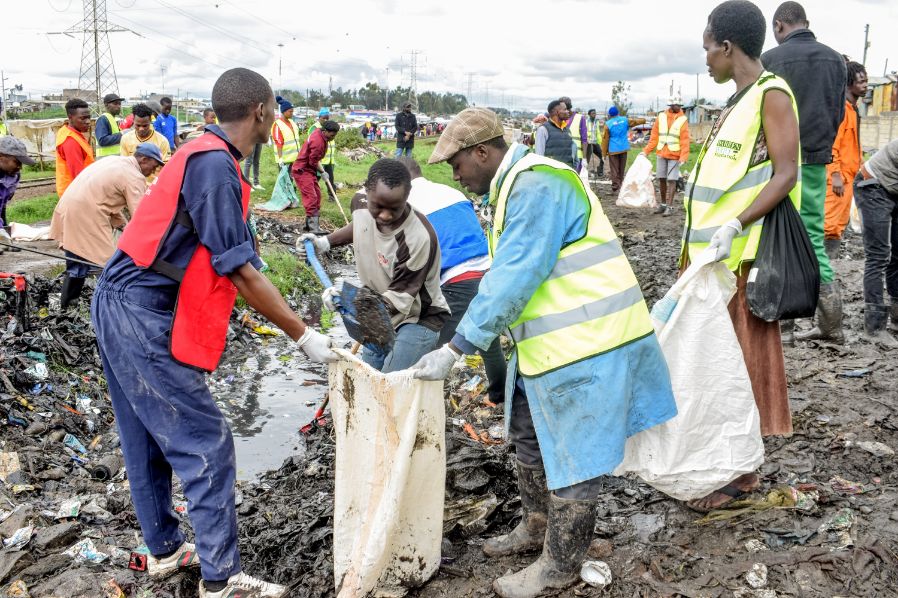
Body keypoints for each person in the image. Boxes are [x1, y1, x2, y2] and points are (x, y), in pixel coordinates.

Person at [411, 108, 676, 598]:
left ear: (482, 152)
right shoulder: (511, 186)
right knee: (528, 434)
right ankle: (536, 525)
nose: (454, 174)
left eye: (456, 164)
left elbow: (514, 276)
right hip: (549, 348)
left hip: (590, 344)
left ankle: (560, 565)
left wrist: (456, 348)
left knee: (575, 456)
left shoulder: (536, 186)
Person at [92, 68, 336, 598]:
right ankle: (221, 580)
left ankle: (165, 549)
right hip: (138, 308)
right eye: (274, 108)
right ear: (261, 111)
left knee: (146, 437)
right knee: (206, 441)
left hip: (121, 299)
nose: (276, 116)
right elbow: (241, 268)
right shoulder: (213, 166)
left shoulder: (203, 152)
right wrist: (305, 336)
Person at [682, 0, 800, 510]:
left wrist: (736, 224)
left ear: (728, 47)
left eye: (708, 48)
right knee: (711, 367)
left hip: (740, 258)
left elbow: (786, 172)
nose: (706, 58)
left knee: (740, 368)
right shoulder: (736, 101)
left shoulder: (771, 95)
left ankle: (741, 475)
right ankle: (718, 459)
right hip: (710, 260)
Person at [301, 158, 450, 372]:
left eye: (394, 209)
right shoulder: (360, 203)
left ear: (407, 198)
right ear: (367, 193)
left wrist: (347, 301)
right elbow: (360, 223)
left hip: (417, 318)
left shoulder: (417, 239)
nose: (385, 216)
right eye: (378, 207)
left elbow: (398, 300)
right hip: (376, 308)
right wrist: (324, 242)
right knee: (367, 378)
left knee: (389, 384)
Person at [761, 1, 847, 344]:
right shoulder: (835, 60)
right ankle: (830, 324)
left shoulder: (770, 60)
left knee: (775, 235)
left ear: (780, 26)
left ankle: (784, 323)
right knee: (812, 235)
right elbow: (839, 112)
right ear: (806, 23)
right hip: (813, 160)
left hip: (776, 162)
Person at [397, 156, 507, 403]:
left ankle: (415, 402)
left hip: (456, 279)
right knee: (484, 338)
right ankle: (499, 394)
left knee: (432, 346)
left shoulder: (406, 203)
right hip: (487, 271)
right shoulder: (450, 192)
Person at [797, 61, 868, 342]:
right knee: (822, 238)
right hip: (835, 182)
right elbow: (834, 144)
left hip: (846, 182)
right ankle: (823, 316)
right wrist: (836, 172)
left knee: (833, 233)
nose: (865, 85)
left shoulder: (852, 110)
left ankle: (823, 314)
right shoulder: (841, 110)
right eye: (860, 80)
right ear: (848, 82)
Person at [49, 143, 165, 308]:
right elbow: (141, 216)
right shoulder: (133, 176)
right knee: (109, 266)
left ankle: (66, 309)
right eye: (153, 167)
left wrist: (123, 226)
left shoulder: (113, 161)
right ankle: (111, 308)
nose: (152, 172)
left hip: (69, 208)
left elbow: (105, 197)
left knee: (76, 266)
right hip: (86, 216)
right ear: (144, 159)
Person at [854, 139, 898, 346]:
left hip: (894, 188)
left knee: (897, 255)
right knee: (878, 256)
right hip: (873, 186)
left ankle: (896, 319)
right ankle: (874, 327)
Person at [642, 95, 690, 216]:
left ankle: (670, 206)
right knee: (661, 179)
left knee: (672, 180)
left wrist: (683, 156)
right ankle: (663, 205)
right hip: (661, 153)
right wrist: (646, 151)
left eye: (680, 105)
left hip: (675, 154)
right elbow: (654, 137)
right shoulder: (661, 116)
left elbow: (685, 139)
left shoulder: (682, 119)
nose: (678, 107)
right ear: (670, 105)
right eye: (676, 105)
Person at [292, 120, 339, 233]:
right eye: (332, 135)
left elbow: (314, 161)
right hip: (302, 170)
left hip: (309, 170)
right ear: (326, 131)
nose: (333, 137)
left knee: (317, 195)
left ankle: (309, 225)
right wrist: (322, 171)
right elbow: (313, 161)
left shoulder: (320, 133)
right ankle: (313, 228)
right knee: (311, 197)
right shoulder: (318, 142)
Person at [0, 136, 36, 253]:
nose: (20, 167)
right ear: (1, 157)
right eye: (16, 162)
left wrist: (5, 235)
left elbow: (2, 206)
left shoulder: (12, 175)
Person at [601, 106, 646, 194]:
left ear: (609, 115)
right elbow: (636, 121)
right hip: (623, 148)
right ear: (618, 113)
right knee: (622, 168)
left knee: (614, 169)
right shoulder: (625, 120)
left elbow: (605, 140)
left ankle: (615, 187)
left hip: (613, 149)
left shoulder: (608, 124)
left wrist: (603, 154)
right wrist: (644, 120)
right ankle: (620, 185)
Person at [55, 98, 94, 198]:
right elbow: (79, 176)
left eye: (89, 117)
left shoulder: (66, 131)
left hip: (73, 192)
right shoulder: (70, 141)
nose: (88, 121)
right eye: (83, 118)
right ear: (70, 117)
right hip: (76, 194)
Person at [120, 103, 172, 177]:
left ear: (150, 120)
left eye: (145, 125)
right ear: (133, 121)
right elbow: (124, 165)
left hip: (153, 185)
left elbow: (166, 168)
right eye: (138, 125)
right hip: (133, 183)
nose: (141, 129)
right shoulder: (126, 139)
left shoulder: (162, 141)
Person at [534, 100, 576, 167]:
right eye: (565, 109)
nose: (568, 111)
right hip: (551, 174)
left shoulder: (567, 130)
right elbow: (539, 157)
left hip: (566, 173)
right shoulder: (543, 130)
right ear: (557, 112)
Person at [308, 108, 337, 200]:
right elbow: (313, 144)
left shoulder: (330, 128)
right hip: (319, 160)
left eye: (327, 118)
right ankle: (311, 195)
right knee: (316, 178)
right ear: (319, 117)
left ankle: (332, 196)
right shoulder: (314, 128)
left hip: (329, 160)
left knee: (330, 179)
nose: (325, 120)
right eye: (324, 118)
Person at [272, 97, 301, 176]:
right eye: (290, 111)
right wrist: (280, 158)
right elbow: (279, 143)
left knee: (291, 179)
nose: (292, 113)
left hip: (294, 158)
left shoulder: (292, 122)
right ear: (284, 111)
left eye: (292, 111)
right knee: (284, 180)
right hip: (284, 160)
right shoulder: (278, 125)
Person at [559, 97, 587, 171]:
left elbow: (584, 140)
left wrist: (584, 158)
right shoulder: (559, 119)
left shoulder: (580, 118)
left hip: (577, 157)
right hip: (562, 156)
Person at [95, 93, 125, 159]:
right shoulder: (103, 119)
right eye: (115, 104)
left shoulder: (113, 119)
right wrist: (122, 134)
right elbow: (102, 140)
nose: (118, 106)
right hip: (105, 161)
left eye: (119, 104)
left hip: (113, 160)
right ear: (106, 105)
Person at [585, 108, 604, 178]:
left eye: (595, 113)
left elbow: (598, 132)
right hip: (589, 143)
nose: (594, 115)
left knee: (602, 157)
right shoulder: (586, 121)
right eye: (593, 113)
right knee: (587, 160)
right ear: (589, 114)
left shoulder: (597, 121)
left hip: (596, 143)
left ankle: (600, 171)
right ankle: (584, 173)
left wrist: (600, 141)